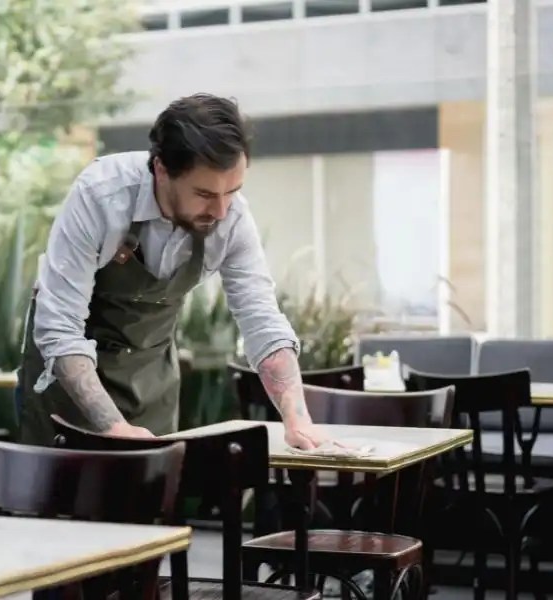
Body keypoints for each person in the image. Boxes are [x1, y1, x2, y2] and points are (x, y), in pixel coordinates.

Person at [18, 93, 328, 450]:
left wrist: (297, 420)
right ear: (162, 169)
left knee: (151, 503)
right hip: (69, 401)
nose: (222, 210)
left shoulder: (232, 218)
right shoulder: (100, 195)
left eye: (233, 191)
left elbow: (262, 321)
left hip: (152, 387)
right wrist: (114, 427)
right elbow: (58, 326)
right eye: (204, 193)